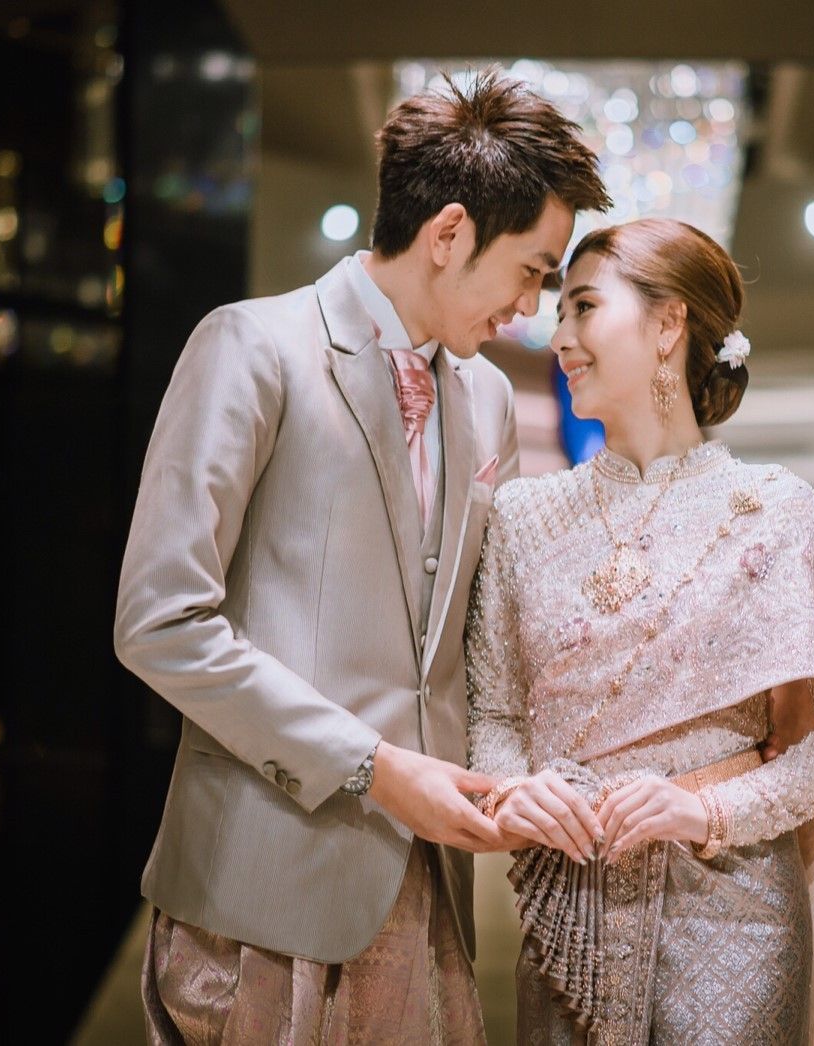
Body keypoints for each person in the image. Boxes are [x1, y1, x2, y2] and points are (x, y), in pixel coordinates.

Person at [114, 69, 611, 1043]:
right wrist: (372, 767)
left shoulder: (486, 400)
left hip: (428, 882)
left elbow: (467, 645)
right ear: (450, 233)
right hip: (261, 884)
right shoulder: (254, 346)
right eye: (532, 269)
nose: (530, 305)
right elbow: (160, 622)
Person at [466, 218, 814, 1044]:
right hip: (570, 912)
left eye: (584, 307)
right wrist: (518, 791)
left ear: (668, 324)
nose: (561, 336)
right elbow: (495, 715)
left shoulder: (775, 510)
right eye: (560, 311)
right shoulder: (522, 516)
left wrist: (710, 811)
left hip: (735, 906)